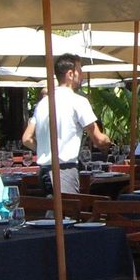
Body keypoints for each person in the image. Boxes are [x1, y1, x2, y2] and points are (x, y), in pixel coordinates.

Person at [22, 54, 112, 196]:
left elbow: (27, 138)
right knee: (68, 215)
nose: (82, 76)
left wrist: (47, 150)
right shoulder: (78, 101)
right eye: (80, 71)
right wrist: (109, 142)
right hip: (64, 171)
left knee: (52, 215)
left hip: (44, 171)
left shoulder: (43, 103)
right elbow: (99, 139)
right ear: (70, 74)